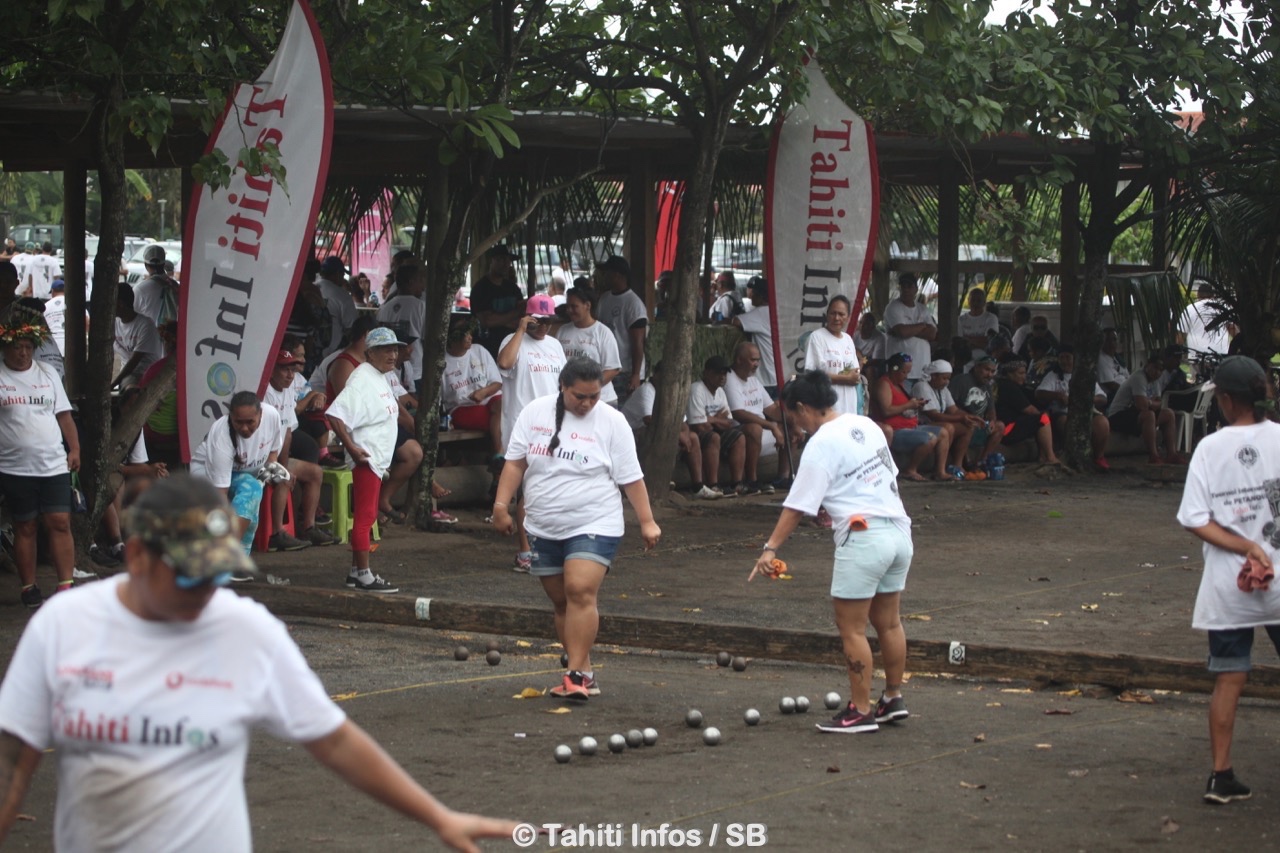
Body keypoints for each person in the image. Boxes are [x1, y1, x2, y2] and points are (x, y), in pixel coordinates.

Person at [0, 474, 520, 851]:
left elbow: (335, 739)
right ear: (136, 556)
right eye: (189, 578)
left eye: (215, 576)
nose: (205, 594)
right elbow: (12, 760)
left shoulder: (245, 630)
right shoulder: (65, 624)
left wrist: (437, 816)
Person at [747, 370, 913, 734]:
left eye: (793, 416)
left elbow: (797, 506)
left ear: (803, 408)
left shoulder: (820, 443)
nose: (796, 423)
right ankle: (892, 697)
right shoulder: (866, 425)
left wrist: (770, 548)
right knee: (889, 622)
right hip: (899, 532)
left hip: (864, 537)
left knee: (851, 628)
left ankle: (860, 710)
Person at [491, 357, 661, 700]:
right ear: (562, 388)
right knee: (562, 602)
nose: (586, 404)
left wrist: (647, 520)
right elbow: (515, 463)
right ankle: (584, 672)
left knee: (580, 590)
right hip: (543, 524)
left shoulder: (612, 421)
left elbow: (631, 477)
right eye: (579, 396)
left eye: (593, 396)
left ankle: (576, 674)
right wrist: (500, 506)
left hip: (595, 520)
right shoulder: (534, 413)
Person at [1175, 356, 1280, 805]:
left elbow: (1194, 518)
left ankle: (1221, 775)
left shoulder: (1210, 448)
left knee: (1229, 677)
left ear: (1226, 399)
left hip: (1228, 584)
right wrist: (1262, 546)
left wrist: (1244, 547)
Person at [0, 319, 82, 608]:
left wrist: (75, 449)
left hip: (53, 463)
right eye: (17, 347)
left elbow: (64, 416)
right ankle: (28, 586)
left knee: (60, 521)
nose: (23, 353)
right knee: (25, 526)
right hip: (14, 466)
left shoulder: (47, 372)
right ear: (5, 348)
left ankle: (65, 584)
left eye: (27, 347)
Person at [325, 327, 410, 593]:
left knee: (368, 515)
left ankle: (355, 572)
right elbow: (335, 414)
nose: (392, 355)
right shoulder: (362, 378)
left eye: (394, 349)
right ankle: (364, 575)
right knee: (365, 517)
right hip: (367, 458)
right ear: (370, 353)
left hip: (376, 458)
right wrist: (351, 448)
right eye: (386, 350)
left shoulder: (380, 376)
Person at [498, 295, 568, 571]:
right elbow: (505, 363)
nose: (544, 327)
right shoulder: (512, 341)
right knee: (528, 488)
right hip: (522, 425)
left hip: (553, 424)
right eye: (538, 322)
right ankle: (525, 551)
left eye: (548, 322)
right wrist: (520, 330)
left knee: (549, 486)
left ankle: (548, 545)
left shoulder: (555, 345)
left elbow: (563, 383)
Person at [189, 391, 287, 559]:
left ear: (260, 414)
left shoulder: (272, 416)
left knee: (251, 508)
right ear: (231, 417)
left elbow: (273, 453)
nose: (244, 428)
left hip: (244, 473)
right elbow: (220, 496)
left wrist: (268, 474)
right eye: (238, 422)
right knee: (251, 490)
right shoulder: (222, 437)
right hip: (207, 474)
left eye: (250, 422)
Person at [263, 349, 335, 548]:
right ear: (271, 370)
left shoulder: (287, 391)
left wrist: (284, 463)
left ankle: (309, 527)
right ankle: (277, 533)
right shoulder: (263, 393)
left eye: (292, 370)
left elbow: (288, 432)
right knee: (284, 477)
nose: (290, 375)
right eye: (284, 369)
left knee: (315, 472)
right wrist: (281, 467)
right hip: (259, 460)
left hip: (277, 457)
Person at [621, 362, 714, 499]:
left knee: (693, 437)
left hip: (660, 432)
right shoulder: (646, 390)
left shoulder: (671, 392)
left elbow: (683, 422)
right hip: (632, 435)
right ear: (656, 375)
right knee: (659, 433)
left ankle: (698, 487)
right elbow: (649, 420)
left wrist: (685, 434)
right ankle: (660, 477)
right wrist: (678, 435)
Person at [726, 341, 794, 492]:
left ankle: (783, 477)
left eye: (758, 360)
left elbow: (771, 409)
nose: (756, 364)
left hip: (762, 429)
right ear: (739, 360)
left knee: (788, 426)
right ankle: (752, 480)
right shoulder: (729, 378)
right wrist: (771, 426)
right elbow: (738, 413)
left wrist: (793, 421)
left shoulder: (754, 380)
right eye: (753, 360)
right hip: (738, 432)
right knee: (754, 428)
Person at [873, 353, 949, 481]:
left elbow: (902, 406)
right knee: (930, 438)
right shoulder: (884, 384)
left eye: (908, 372)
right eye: (904, 372)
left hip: (911, 426)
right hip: (895, 430)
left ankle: (940, 471)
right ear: (894, 369)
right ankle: (910, 470)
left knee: (943, 433)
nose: (906, 376)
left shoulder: (900, 384)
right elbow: (886, 411)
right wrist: (909, 405)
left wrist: (916, 404)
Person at [1035, 346, 1111, 471]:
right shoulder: (1053, 375)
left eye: (1068, 357)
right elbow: (1039, 393)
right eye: (1061, 358)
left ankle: (1099, 456)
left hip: (1086, 411)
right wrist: (1058, 396)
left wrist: (1087, 399)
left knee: (1102, 423)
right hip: (1062, 412)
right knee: (1066, 423)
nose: (1064, 361)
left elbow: (1103, 398)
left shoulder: (1085, 375)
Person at [441, 315, 504, 457]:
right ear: (451, 337)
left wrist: (484, 392)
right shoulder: (441, 362)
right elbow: (441, 401)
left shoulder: (479, 350)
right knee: (500, 421)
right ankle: (498, 460)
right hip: (461, 407)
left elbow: (497, 382)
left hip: (489, 399)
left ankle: (498, 456)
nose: (470, 337)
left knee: (503, 406)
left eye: (470, 333)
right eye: (464, 334)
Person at [1106, 353, 1183, 465]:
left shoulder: (1156, 381)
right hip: (1118, 415)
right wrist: (1150, 403)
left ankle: (1172, 454)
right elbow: (1141, 406)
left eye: (1160, 370)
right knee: (1149, 415)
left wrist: (1149, 402)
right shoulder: (1139, 377)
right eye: (1155, 368)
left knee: (1169, 414)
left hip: (1135, 414)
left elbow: (1159, 403)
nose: (1157, 372)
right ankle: (1153, 455)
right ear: (1148, 365)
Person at [687, 355, 748, 495]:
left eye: (724, 373)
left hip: (713, 431)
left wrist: (711, 420)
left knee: (739, 437)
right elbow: (699, 426)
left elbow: (729, 423)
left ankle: (736, 484)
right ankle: (713, 485)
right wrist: (717, 419)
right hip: (695, 435)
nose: (722, 377)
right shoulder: (697, 389)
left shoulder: (720, 392)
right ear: (706, 373)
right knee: (713, 437)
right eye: (718, 373)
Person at [913, 360, 981, 479]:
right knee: (947, 427)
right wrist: (962, 417)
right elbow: (933, 415)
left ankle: (957, 465)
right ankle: (939, 470)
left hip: (935, 422)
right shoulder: (922, 386)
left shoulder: (943, 389)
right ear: (934, 376)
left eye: (948, 379)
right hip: (921, 424)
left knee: (967, 426)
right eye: (944, 378)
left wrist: (971, 417)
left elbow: (954, 410)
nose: (947, 382)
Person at [556, 286, 622, 407]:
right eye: (567, 306)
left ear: (587, 305)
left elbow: (613, 369)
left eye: (574, 306)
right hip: (571, 400)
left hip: (602, 400)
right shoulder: (562, 331)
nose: (569, 310)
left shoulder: (602, 332)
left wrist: (588, 389)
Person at [594, 255, 648, 401]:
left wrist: (635, 374)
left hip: (626, 370)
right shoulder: (605, 298)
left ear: (617, 275)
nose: (604, 276)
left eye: (607, 272)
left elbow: (638, 342)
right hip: (608, 367)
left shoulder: (633, 304)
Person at [993, 357, 1060, 466]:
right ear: (1010, 374)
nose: (1024, 376)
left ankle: (1042, 456)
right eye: (1020, 373)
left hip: (1003, 426)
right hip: (1006, 429)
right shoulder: (1008, 387)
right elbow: (1030, 410)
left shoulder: (1000, 384)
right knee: (1043, 418)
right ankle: (1050, 457)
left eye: (1024, 373)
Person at [804, 295, 863, 415]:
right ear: (827, 314)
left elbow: (855, 371)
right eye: (833, 313)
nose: (836, 318)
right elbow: (812, 375)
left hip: (848, 405)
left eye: (841, 314)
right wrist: (846, 378)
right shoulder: (816, 337)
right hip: (826, 406)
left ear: (848, 317)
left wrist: (852, 376)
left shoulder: (848, 339)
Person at [471, 245, 525, 359]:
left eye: (508, 260)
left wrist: (499, 320)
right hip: (487, 349)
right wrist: (516, 312)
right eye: (501, 259)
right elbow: (487, 321)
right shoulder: (481, 288)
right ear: (492, 260)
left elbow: (522, 319)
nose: (506, 264)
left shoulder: (513, 288)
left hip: (512, 346)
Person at [377, 264, 426, 388]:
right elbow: (427, 340)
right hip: (415, 370)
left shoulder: (384, 308)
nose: (423, 286)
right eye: (421, 280)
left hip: (389, 368)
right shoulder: (421, 307)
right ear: (411, 282)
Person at [883, 273, 936, 381]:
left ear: (916, 289)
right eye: (903, 286)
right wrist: (923, 325)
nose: (906, 289)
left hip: (922, 368)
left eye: (909, 286)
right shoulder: (893, 307)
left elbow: (932, 334)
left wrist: (910, 330)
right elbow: (902, 332)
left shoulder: (923, 309)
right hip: (901, 370)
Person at [111, 285, 163, 391]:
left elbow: (134, 362)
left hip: (143, 373)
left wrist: (112, 385)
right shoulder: (114, 324)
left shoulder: (145, 325)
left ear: (120, 304)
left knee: (130, 388)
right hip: (127, 375)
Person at [732, 276, 777, 391]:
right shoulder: (775, 311)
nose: (751, 296)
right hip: (779, 374)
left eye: (754, 293)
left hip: (767, 378)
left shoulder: (761, 312)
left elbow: (736, 321)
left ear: (761, 296)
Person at [316, 256, 358, 356]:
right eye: (342, 275)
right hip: (332, 353)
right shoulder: (342, 295)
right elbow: (351, 327)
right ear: (338, 274)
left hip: (310, 349)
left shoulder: (312, 287)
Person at [1178, 282, 1233, 356]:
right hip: (1221, 355)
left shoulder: (1190, 309)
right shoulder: (1223, 308)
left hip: (1197, 355)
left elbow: (1180, 337)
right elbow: (1233, 330)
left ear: (1198, 295)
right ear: (1213, 295)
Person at [132, 244, 178, 326]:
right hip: (172, 332)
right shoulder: (175, 285)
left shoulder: (140, 289)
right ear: (164, 264)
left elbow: (133, 317)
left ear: (145, 265)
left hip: (149, 333)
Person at [1097, 328, 1131, 397]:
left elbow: (1127, 376)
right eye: (1108, 340)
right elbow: (1111, 385)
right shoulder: (1100, 359)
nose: (1112, 343)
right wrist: (1130, 391)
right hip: (1114, 396)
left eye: (1114, 339)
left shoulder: (1117, 358)